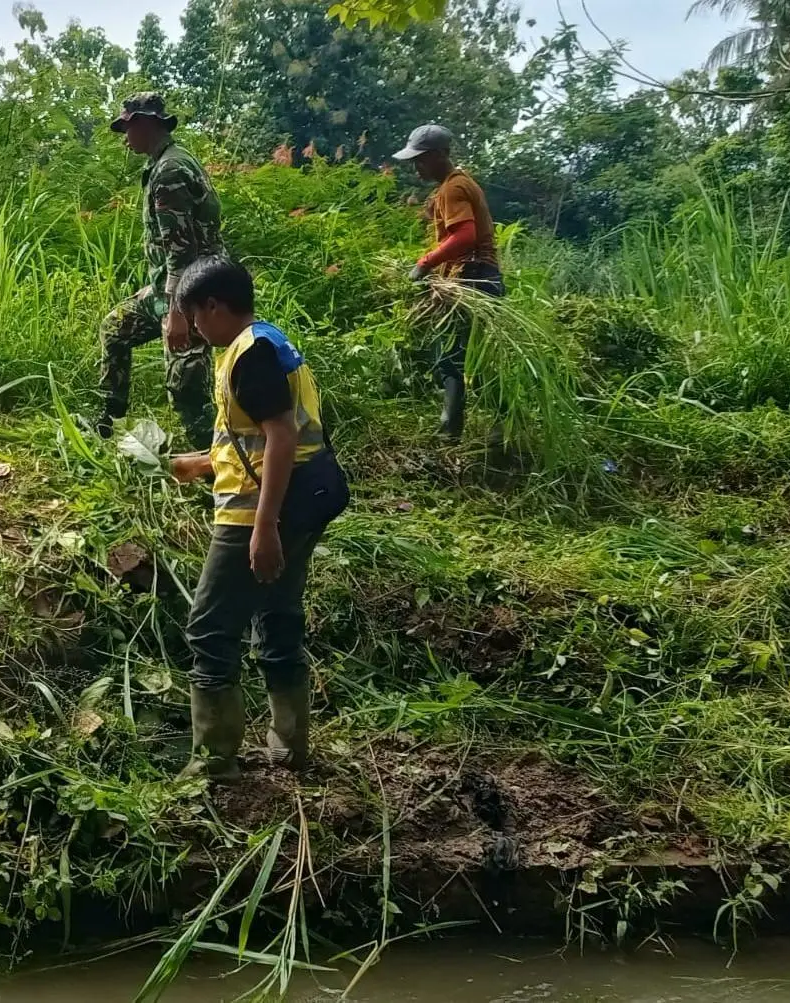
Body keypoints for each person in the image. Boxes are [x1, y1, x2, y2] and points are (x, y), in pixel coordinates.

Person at [169, 258, 349, 782]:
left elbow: (282, 437)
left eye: (195, 317)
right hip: (298, 499)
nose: (195, 329)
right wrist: (201, 463)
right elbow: (255, 436)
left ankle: (213, 759)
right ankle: (289, 746)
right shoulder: (264, 342)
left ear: (213, 306)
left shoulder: (250, 355)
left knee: (208, 627)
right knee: (276, 615)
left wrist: (264, 528)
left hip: (259, 511)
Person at [98, 92, 224, 451]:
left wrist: (177, 315)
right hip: (175, 288)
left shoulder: (170, 172)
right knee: (116, 327)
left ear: (144, 122)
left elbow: (182, 252)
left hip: (197, 295)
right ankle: (109, 422)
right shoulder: (166, 162)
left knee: (185, 383)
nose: (125, 136)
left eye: (127, 127)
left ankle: (213, 465)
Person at [393, 124, 505, 441]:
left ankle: (451, 431)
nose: (417, 166)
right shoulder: (458, 183)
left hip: (472, 279)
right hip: (484, 278)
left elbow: (465, 236)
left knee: (452, 356)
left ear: (441, 155)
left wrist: (425, 264)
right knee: (479, 357)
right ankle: (497, 427)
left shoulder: (453, 189)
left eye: (422, 159)